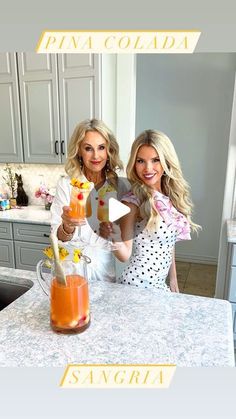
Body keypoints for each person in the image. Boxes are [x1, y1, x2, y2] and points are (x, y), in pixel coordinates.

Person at [100, 129, 200, 292]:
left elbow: (169, 243)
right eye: (140, 161)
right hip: (136, 286)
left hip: (160, 286)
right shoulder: (133, 202)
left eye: (155, 160)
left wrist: (173, 280)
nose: (148, 168)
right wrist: (113, 236)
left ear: (166, 161)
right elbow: (124, 255)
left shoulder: (170, 197)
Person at [50, 118, 127, 282]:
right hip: (71, 271)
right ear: (79, 151)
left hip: (103, 271)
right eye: (88, 148)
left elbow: (123, 242)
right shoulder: (67, 185)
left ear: (109, 151)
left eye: (101, 148)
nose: (96, 155)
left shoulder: (118, 188)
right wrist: (67, 226)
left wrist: (115, 234)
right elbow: (58, 237)